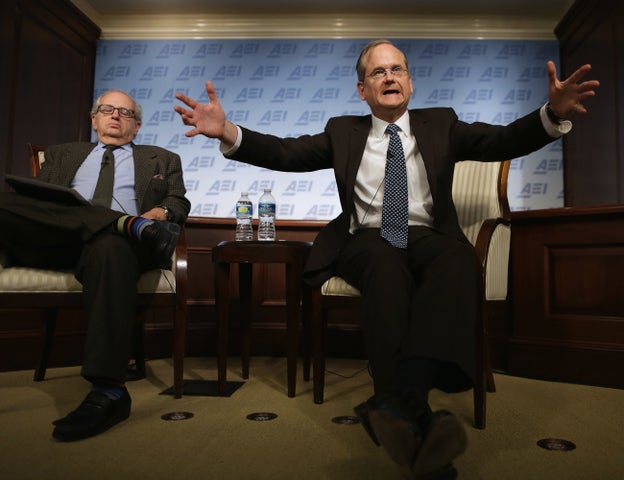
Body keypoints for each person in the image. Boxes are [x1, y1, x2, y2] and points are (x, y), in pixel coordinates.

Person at [174, 39, 598, 479]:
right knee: (385, 267)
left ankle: (401, 400)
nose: (390, 77)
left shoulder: (442, 124)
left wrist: (554, 114)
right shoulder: (343, 131)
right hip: (367, 239)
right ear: (362, 89)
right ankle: (410, 407)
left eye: (397, 69)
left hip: (429, 234)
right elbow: (286, 152)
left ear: (410, 82)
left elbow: (504, 139)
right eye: (378, 72)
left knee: (458, 260)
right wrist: (227, 132)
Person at [0, 89, 191, 442]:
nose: (115, 116)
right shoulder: (61, 155)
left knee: (110, 246)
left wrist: (162, 212)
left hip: (116, 248)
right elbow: (37, 205)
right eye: (107, 109)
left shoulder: (162, 158)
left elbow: (178, 200)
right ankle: (120, 221)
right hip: (57, 244)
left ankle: (108, 390)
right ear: (94, 119)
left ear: (136, 126)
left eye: (125, 112)